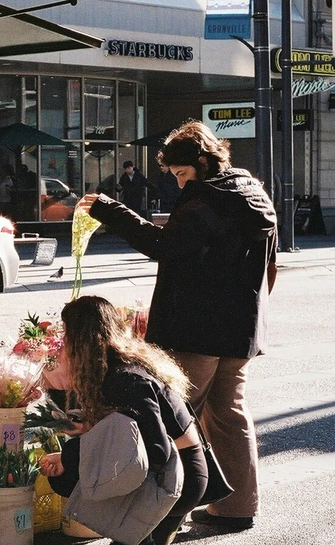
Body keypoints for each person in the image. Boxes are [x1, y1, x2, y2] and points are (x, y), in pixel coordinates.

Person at [77, 120, 278, 531]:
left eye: (182, 173)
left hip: (195, 330)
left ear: (203, 162)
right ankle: (237, 508)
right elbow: (269, 267)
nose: (180, 183)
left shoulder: (208, 200)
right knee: (229, 415)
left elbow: (162, 245)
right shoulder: (254, 194)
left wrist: (110, 209)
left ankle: (163, 513)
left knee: (179, 419)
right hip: (240, 331)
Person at [39, 295, 207, 545]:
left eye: (66, 335)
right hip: (171, 470)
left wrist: (72, 456)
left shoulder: (127, 379)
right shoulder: (117, 365)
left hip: (174, 476)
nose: (61, 344)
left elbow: (156, 450)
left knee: (75, 474)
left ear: (81, 341)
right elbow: (127, 433)